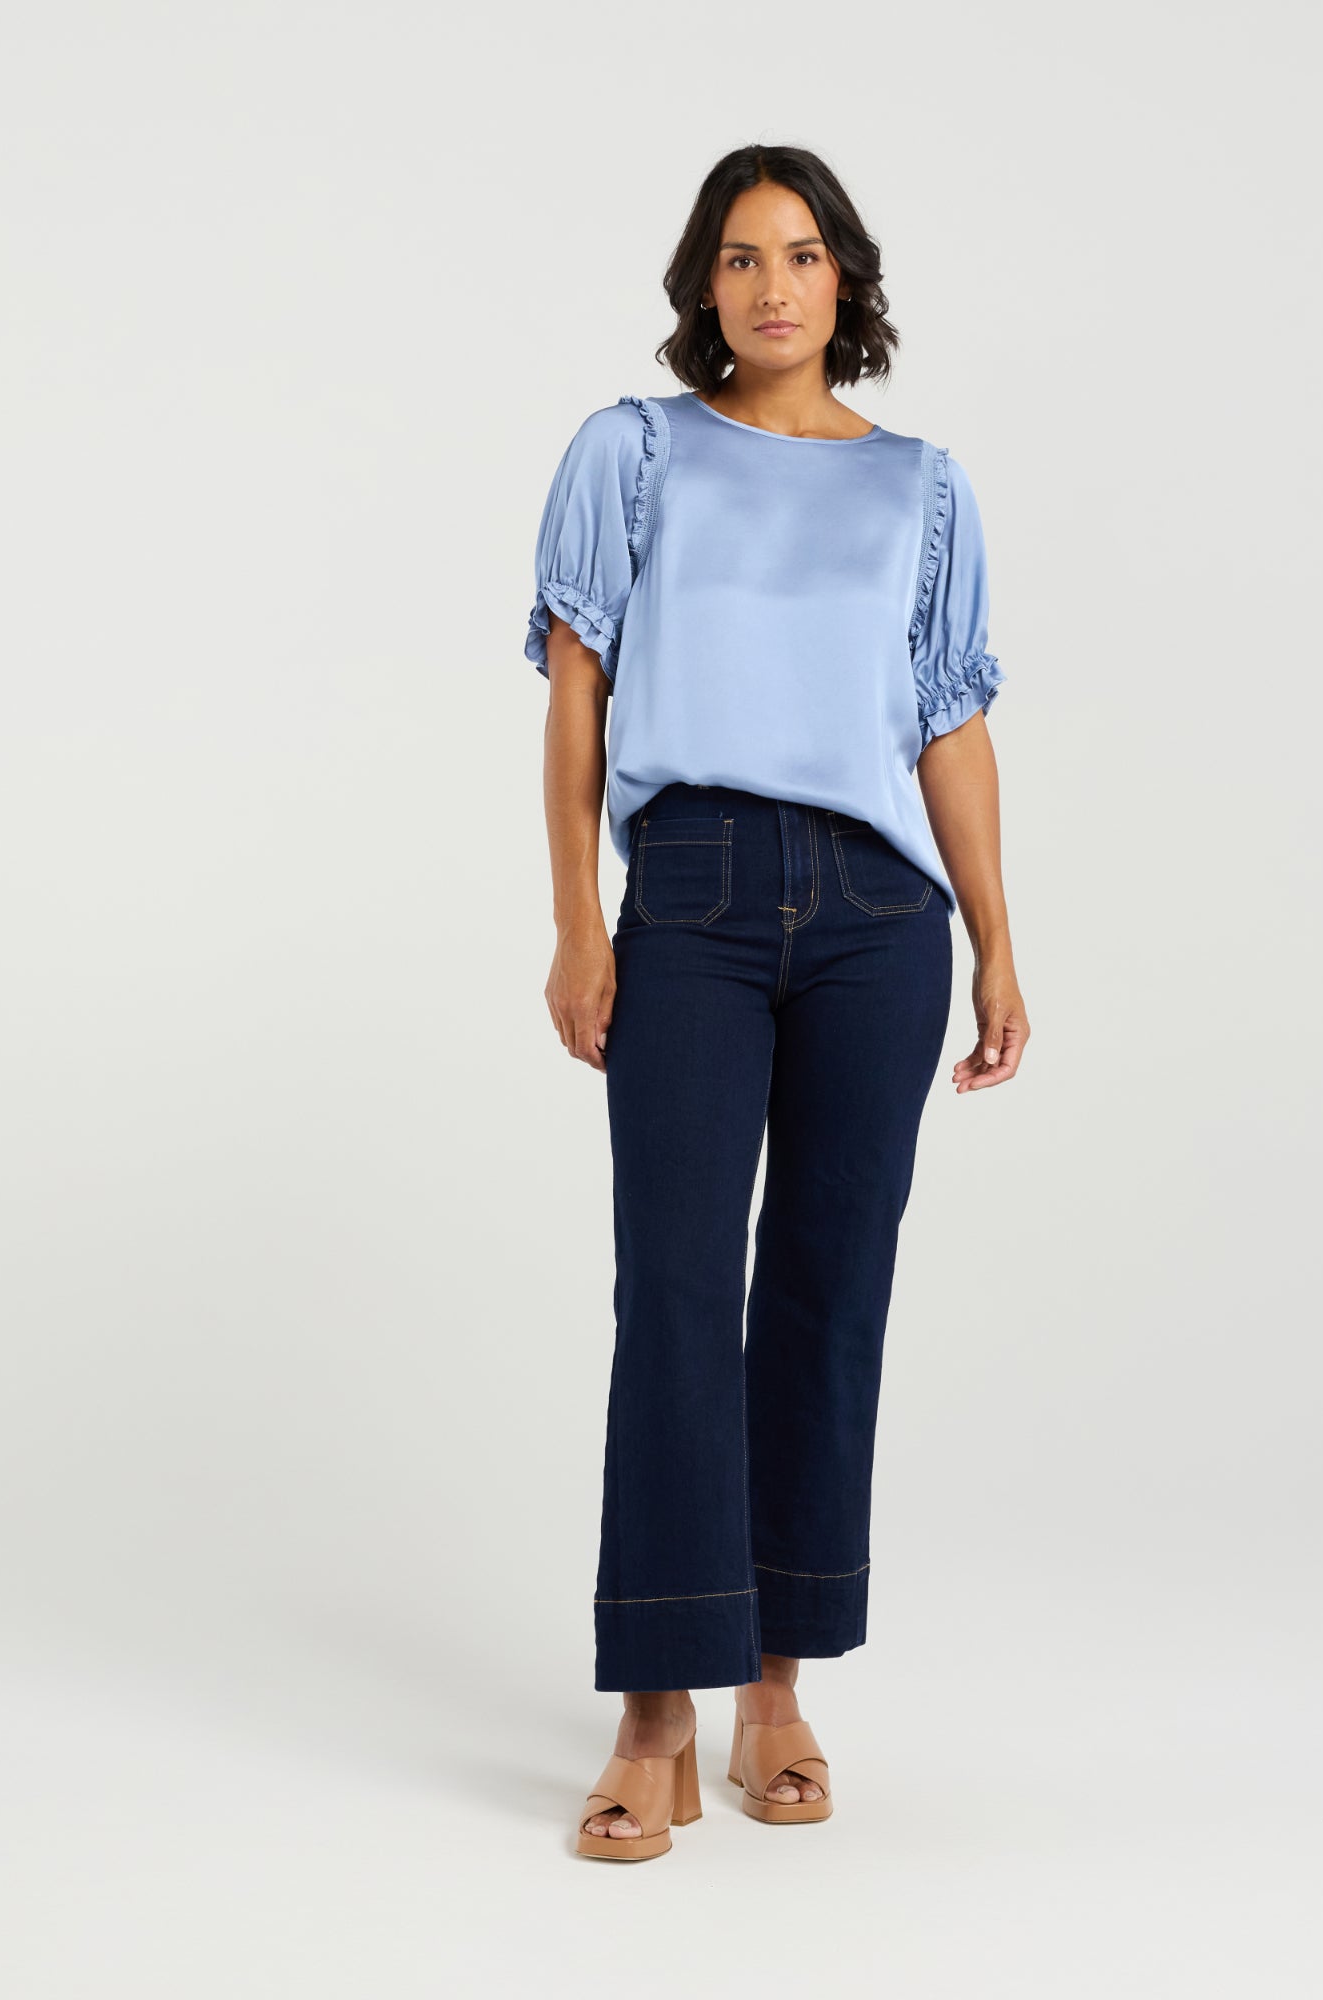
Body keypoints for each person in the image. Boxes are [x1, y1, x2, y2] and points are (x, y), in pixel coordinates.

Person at [524, 143, 1029, 1862]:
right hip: (696, 892)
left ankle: (776, 1688)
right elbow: (577, 689)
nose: (771, 285)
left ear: (845, 281)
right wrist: (578, 919)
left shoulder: (922, 489)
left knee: (826, 1289)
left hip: (883, 918)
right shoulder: (635, 452)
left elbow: (949, 722)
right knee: (674, 1286)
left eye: (801, 254)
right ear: (704, 286)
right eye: (740, 257)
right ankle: (654, 1710)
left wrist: (998, 941)